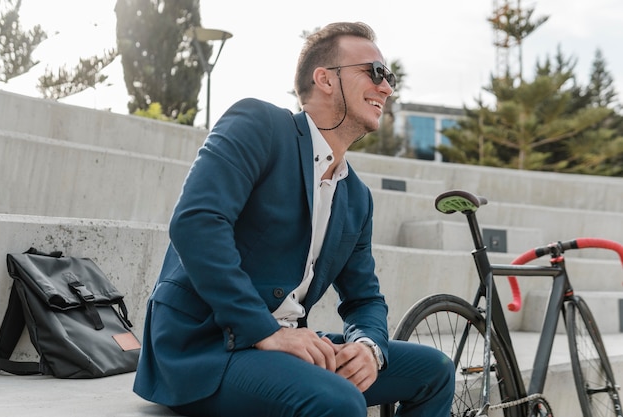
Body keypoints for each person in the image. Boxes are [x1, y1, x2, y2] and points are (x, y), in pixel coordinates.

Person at [133, 21, 454, 417]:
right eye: (375, 73)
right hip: (205, 346)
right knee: (339, 402)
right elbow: (195, 222)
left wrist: (368, 347)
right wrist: (264, 331)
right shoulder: (260, 124)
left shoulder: (356, 197)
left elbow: (364, 297)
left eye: (389, 77)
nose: (387, 87)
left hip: (284, 345)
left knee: (435, 371)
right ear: (325, 79)